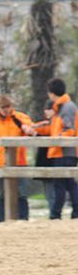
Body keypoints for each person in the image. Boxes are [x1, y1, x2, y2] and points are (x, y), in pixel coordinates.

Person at [0, 94, 33, 221]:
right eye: (3, 107)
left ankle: (23, 219)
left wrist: (26, 127)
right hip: (0, 164)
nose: (6, 110)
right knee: (2, 194)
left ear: (12, 106)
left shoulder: (20, 118)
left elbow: (30, 128)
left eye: (8, 106)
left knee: (21, 192)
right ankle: (3, 219)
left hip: (19, 162)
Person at [34, 78, 78, 219]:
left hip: (65, 151)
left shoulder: (67, 107)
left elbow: (69, 130)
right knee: (66, 183)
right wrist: (38, 130)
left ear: (52, 93)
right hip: (59, 151)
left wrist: (57, 138)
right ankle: (63, 213)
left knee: (63, 184)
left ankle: (56, 214)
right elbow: (53, 128)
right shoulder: (60, 108)